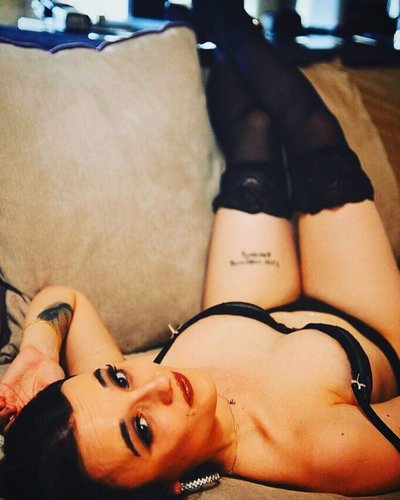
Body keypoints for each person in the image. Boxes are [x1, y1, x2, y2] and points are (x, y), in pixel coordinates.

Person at [0, 1, 399, 498]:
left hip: (259, 302)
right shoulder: (322, 449)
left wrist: (39, 350)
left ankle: (220, 26)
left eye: (117, 377)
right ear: (166, 488)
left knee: (255, 127)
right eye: (142, 429)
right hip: (366, 319)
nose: (158, 385)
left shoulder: (115, 409)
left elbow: (68, 300)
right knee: (312, 131)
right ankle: (227, 20)